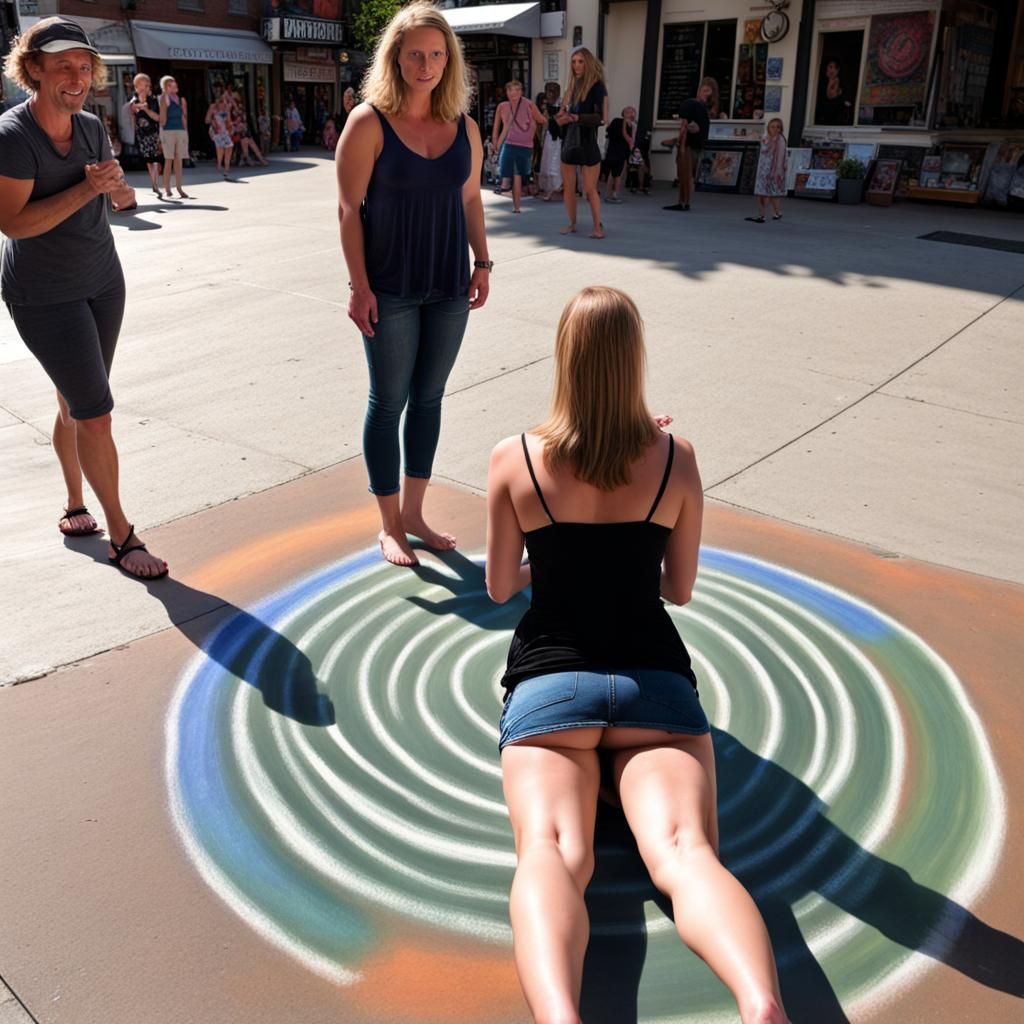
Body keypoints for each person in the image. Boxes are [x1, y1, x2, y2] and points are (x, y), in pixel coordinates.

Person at [485, 286, 788, 1024]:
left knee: (553, 853)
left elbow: (497, 586)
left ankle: (561, 1016)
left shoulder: (513, 458)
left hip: (550, 689)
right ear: (634, 360)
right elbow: (678, 589)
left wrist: (555, 567)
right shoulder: (675, 459)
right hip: (655, 689)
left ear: (565, 357)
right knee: (686, 855)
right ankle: (760, 1003)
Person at [0, 17, 168, 580]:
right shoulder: (12, 137)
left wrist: (119, 191)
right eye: (61, 66)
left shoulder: (92, 126)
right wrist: (88, 188)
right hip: (45, 295)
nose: (75, 77)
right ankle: (122, 536)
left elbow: (114, 200)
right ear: (34, 69)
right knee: (96, 414)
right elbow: (13, 223)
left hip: (103, 281)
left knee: (76, 403)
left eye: (82, 66)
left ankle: (75, 503)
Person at [337, 0, 491, 567]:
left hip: (449, 286)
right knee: (389, 401)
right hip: (390, 288)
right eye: (415, 55)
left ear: (449, 60)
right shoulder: (368, 122)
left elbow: (470, 200)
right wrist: (359, 286)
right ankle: (389, 525)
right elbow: (348, 211)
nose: (426, 65)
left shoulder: (466, 128)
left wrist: (482, 262)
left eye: (436, 54)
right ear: (395, 59)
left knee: (428, 399)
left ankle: (415, 514)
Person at [556, 48, 607, 238]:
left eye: (580, 61)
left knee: (589, 189)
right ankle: (572, 223)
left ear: (588, 63)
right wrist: (562, 117)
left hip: (587, 142)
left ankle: (597, 227)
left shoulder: (597, 87)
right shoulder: (572, 87)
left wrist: (578, 117)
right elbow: (560, 116)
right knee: (568, 188)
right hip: (570, 141)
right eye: (574, 62)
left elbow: (601, 118)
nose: (576, 65)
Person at [491, 80, 546, 213]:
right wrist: (495, 144)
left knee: (517, 175)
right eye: (510, 90)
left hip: (525, 145)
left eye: (516, 90)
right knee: (514, 174)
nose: (513, 93)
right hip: (509, 143)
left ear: (521, 92)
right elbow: (496, 128)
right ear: (506, 92)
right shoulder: (502, 106)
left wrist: (534, 120)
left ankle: (516, 204)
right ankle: (516, 205)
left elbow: (542, 120)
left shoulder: (529, 104)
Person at [663, 77, 716, 212]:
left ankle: (682, 202)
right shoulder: (705, 110)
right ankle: (685, 202)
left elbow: (685, 126)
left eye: (706, 90)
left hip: (688, 145)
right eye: (703, 90)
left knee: (684, 175)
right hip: (697, 145)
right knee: (689, 175)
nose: (703, 92)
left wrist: (678, 142)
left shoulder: (690, 105)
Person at [746, 117, 787, 223]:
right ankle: (774, 213)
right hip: (763, 169)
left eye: (778, 127)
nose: (775, 129)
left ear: (781, 129)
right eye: (772, 127)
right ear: (768, 127)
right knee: (768, 192)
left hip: (774, 170)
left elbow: (781, 157)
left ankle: (763, 215)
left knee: (769, 193)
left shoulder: (780, 140)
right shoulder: (765, 138)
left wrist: (778, 172)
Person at [129, 73, 162, 196]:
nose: (144, 89)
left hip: (154, 134)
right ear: (136, 87)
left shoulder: (154, 100)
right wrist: (139, 105)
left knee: (156, 160)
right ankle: (154, 183)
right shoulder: (134, 100)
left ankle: (155, 183)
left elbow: (158, 118)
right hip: (142, 135)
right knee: (149, 160)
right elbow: (132, 108)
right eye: (141, 87)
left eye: (146, 86)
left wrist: (146, 109)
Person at [158, 74, 190, 199]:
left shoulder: (181, 99)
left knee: (179, 160)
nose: (173, 86)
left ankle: (179, 187)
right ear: (165, 86)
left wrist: (186, 133)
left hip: (180, 131)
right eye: (169, 84)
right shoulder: (164, 98)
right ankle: (167, 188)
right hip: (168, 131)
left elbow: (184, 117)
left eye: (173, 83)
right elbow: (162, 119)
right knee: (169, 159)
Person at [603, 105, 635, 203]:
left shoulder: (631, 125)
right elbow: (624, 136)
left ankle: (614, 194)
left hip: (621, 151)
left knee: (617, 174)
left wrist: (630, 150)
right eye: (627, 111)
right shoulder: (617, 121)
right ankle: (611, 194)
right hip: (615, 150)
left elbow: (630, 139)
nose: (629, 113)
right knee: (615, 174)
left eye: (631, 112)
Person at [206, 94, 235, 178]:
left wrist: (228, 112)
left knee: (229, 147)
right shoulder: (213, 108)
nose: (224, 103)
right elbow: (207, 120)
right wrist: (213, 122)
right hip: (216, 131)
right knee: (221, 148)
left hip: (225, 131)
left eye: (225, 101)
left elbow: (228, 121)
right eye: (222, 101)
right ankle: (219, 164)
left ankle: (226, 168)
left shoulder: (226, 109)